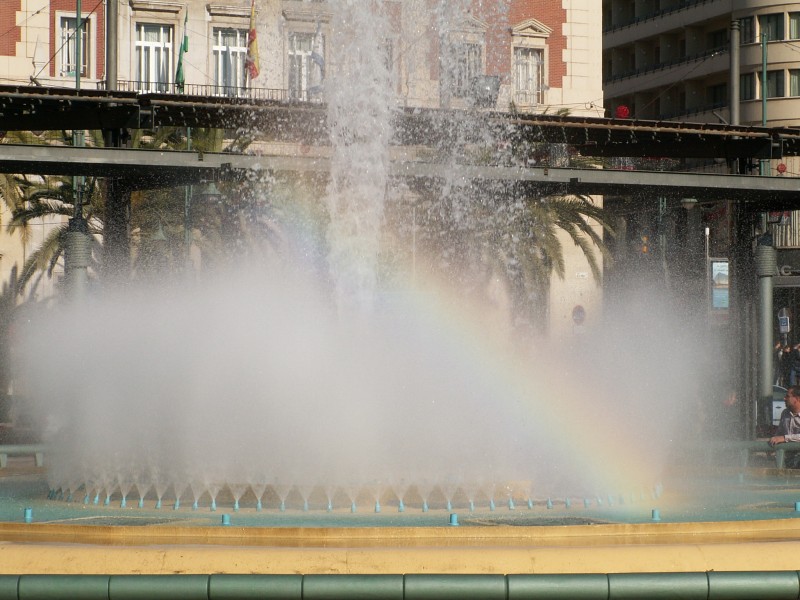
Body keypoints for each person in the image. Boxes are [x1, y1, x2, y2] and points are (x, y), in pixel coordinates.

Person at [769, 385, 800, 468]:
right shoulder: (785, 413)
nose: (784, 398)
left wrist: (784, 438)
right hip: (788, 458)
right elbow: (779, 432)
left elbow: (782, 437)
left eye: (787, 396)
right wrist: (772, 443)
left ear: (797, 399)